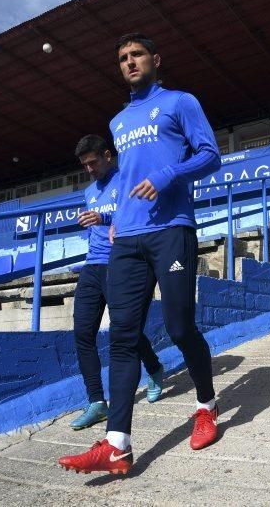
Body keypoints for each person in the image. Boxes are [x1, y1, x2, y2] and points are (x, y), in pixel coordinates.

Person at [59, 33, 221, 475]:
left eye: (137, 55)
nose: (130, 62)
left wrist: (169, 174)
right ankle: (117, 444)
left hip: (171, 230)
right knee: (123, 336)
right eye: (123, 58)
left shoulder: (180, 102)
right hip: (126, 238)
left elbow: (211, 156)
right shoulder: (117, 121)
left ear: (156, 59)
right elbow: (124, 179)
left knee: (178, 324)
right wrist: (115, 220)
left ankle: (206, 406)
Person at [67, 134, 165, 432]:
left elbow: (136, 213)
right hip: (92, 265)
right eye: (84, 165)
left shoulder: (128, 179)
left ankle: (155, 368)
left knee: (125, 330)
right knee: (83, 333)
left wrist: (105, 217)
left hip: (122, 263)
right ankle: (97, 402)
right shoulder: (88, 192)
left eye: (93, 162)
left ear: (108, 155)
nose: (90, 170)